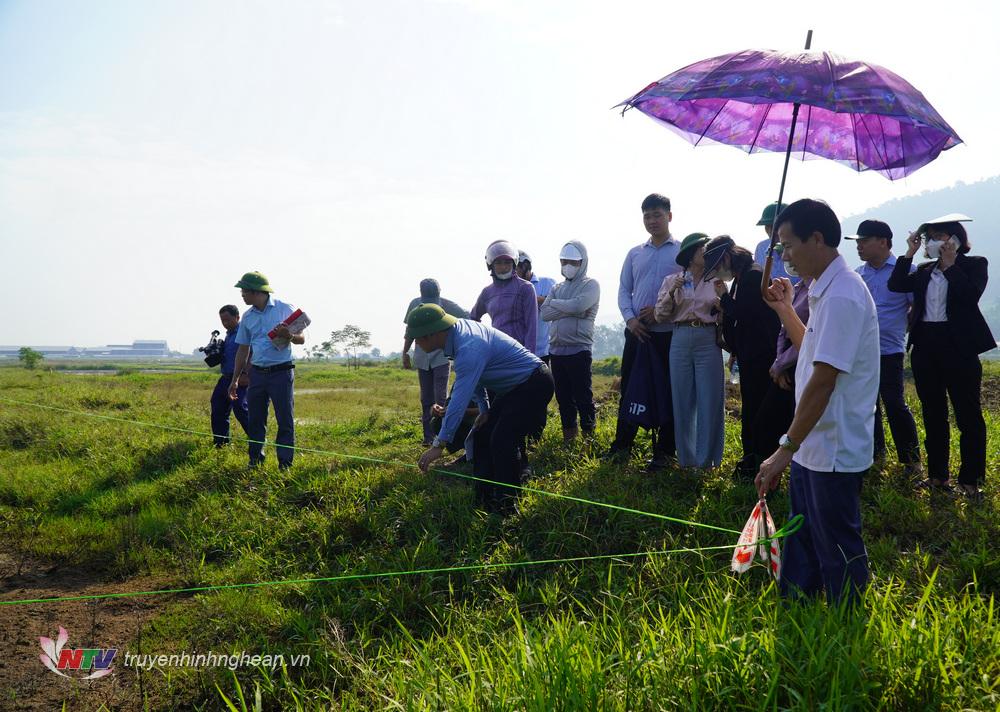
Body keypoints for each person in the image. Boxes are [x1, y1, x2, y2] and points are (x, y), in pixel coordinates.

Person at [756, 199, 879, 607]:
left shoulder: (843, 295)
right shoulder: (824, 290)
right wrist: (785, 308)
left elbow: (823, 381)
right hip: (814, 444)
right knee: (802, 539)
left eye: (789, 245)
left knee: (838, 549)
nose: (785, 256)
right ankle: (798, 615)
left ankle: (847, 626)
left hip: (833, 447)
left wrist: (782, 451)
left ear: (818, 239)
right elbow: (812, 348)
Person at [888, 215, 995, 500]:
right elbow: (896, 284)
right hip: (926, 345)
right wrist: (908, 253)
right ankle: (937, 476)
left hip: (959, 346)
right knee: (933, 413)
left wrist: (949, 267)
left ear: (955, 240)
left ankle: (970, 480)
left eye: (938, 236)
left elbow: (970, 295)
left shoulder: (975, 265)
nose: (933, 242)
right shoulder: (923, 270)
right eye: (929, 238)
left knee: (968, 415)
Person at [411, 305, 553, 512]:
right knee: (482, 435)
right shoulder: (458, 334)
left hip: (533, 383)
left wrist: (439, 444)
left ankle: (507, 505)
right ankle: (484, 499)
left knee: (503, 440)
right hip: (514, 388)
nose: (416, 343)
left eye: (417, 338)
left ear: (432, 334)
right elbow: (477, 377)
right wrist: (484, 410)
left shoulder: (468, 347)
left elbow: (459, 400)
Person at [604, 193, 680, 470]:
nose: (652, 221)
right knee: (630, 387)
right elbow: (624, 290)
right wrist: (630, 320)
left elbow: (689, 291)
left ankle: (664, 452)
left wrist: (663, 311)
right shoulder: (635, 253)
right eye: (647, 216)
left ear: (669, 216)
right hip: (637, 333)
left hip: (668, 334)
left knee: (668, 390)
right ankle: (622, 445)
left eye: (657, 215)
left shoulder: (681, 252)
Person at [702, 235, 781, 480]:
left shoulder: (752, 276)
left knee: (758, 412)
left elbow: (746, 315)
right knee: (751, 410)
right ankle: (752, 458)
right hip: (750, 354)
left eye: (717, 267)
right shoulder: (743, 277)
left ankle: (758, 461)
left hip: (761, 356)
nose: (717, 273)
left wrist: (724, 299)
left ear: (727, 258)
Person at [845, 220, 921, 475]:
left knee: (894, 403)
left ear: (883, 242)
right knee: (868, 405)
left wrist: (899, 328)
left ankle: (911, 460)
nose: (859, 246)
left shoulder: (904, 271)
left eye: (864, 241)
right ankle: (875, 455)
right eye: (857, 242)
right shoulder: (859, 274)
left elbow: (915, 308)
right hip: (862, 351)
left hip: (890, 350)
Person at [654, 233, 724, 468]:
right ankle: (687, 460)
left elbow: (726, 311)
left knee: (710, 397)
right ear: (690, 255)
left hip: (707, 337)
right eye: (702, 249)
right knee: (682, 398)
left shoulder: (715, 280)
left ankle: (707, 461)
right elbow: (660, 315)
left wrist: (721, 304)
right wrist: (673, 291)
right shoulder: (672, 280)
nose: (706, 253)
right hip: (680, 336)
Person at [229, 271, 306, 470]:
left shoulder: (283, 308)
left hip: (281, 372)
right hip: (258, 373)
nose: (242, 295)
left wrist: (288, 334)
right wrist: (235, 379)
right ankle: (255, 461)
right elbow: (243, 349)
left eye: (244, 291)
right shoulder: (247, 317)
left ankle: (285, 464)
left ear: (257, 292)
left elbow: (301, 339)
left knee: (284, 419)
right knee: (255, 419)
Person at [540, 241, 600, 444]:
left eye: (572, 262)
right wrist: (571, 307)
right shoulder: (558, 287)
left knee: (583, 396)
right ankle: (569, 439)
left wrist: (555, 303)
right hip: (557, 351)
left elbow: (580, 305)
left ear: (581, 262)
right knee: (564, 398)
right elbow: (545, 313)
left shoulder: (591, 285)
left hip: (579, 350)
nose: (568, 265)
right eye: (564, 261)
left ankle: (589, 440)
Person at [402, 278, 469, 445]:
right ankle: (428, 436)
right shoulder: (415, 304)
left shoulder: (448, 305)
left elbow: (469, 316)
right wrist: (405, 352)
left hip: (441, 355)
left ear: (439, 293)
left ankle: (442, 434)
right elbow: (409, 331)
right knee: (426, 398)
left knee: (440, 396)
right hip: (422, 355)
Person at [470, 241, 538, 351]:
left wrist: (529, 360)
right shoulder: (487, 292)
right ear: (490, 265)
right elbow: (473, 319)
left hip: (519, 354)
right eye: (499, 263)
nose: (503, 267)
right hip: (496, 354)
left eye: (507, 262)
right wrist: (479, 343)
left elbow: (532, 328)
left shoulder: (526, 288)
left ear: (514, 263)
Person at [211, 305, 251, 447]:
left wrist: (246, 374)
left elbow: (250, 353)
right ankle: (221, 444)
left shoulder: (244, 332)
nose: (225, 323)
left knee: (240, 409)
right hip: (226, 378)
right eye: (222, 320)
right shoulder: (228, 335)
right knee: (217, 407)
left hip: (240, 378)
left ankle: (257, 440)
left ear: (237, 317)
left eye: (228, 319)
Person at [516, 251, 557, 361]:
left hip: (542, 351)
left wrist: (534, 299)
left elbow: (558, 304)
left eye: (515, 268)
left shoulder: (547, 283)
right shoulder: (510, 288)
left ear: (525, 266)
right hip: (518, 351)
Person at [753, 201, 798, 285]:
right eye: (767, 226)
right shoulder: (761, 248)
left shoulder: (802, 247)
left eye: (776, 226)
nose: (772, 231)